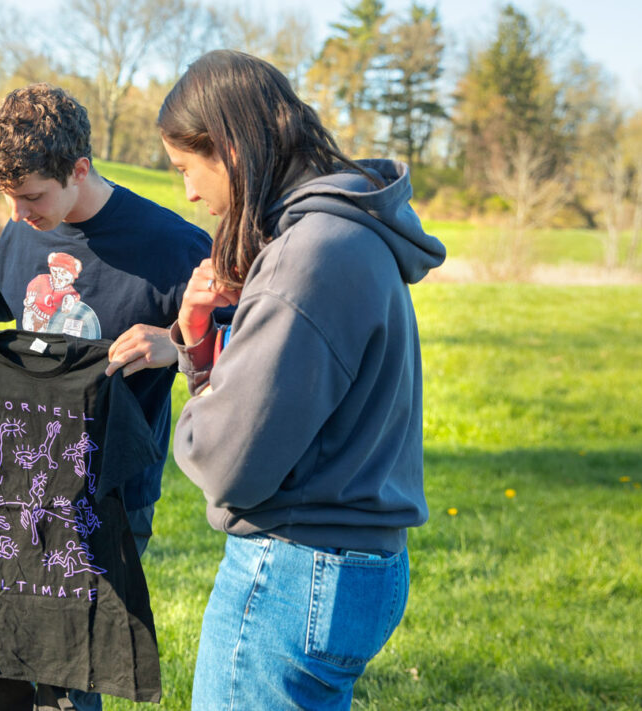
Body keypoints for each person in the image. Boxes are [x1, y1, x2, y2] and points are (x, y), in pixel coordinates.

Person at [158, 50, 447, 710]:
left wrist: (195, 406)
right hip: (353, 559)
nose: (190, 194)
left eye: (186, 168)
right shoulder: (352, 232)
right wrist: (202, 345)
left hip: (296, 567)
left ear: (228, 147)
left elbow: (228, 461)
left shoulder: (307, 255)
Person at [0, 83, 210, 710]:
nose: (20, 215)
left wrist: (178, 349)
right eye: (9, 199)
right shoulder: (23, 230)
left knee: (69, 661)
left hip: (106, 493)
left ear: (79, 170)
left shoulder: (173, 248)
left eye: (32, 197)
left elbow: (241, 342)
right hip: (11, 482)